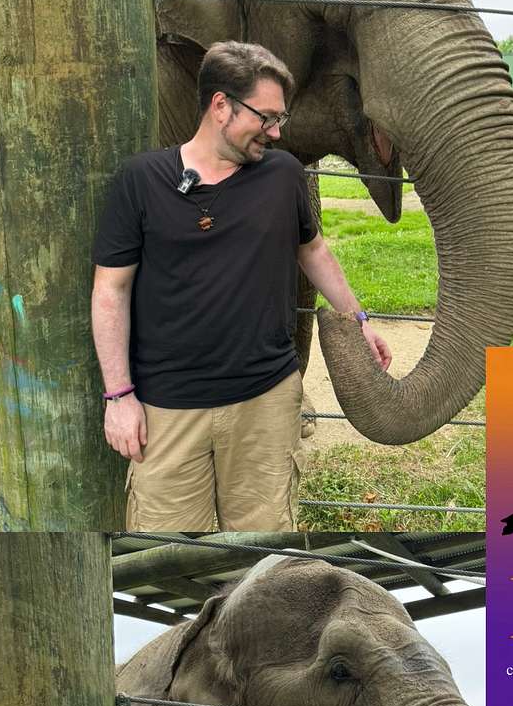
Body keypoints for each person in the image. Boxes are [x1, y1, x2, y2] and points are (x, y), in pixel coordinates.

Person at [91, 40, 393, 533]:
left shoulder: (283, 175)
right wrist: (119, 397)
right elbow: (111, 291)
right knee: (168, 549)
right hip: (166, 407)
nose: (275, 132)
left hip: (265, 400)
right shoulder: (140, 180)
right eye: (266, 117)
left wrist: (358, 321)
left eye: (281, 119)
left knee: (265, 548)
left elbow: (313, 250)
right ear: (220, 106)